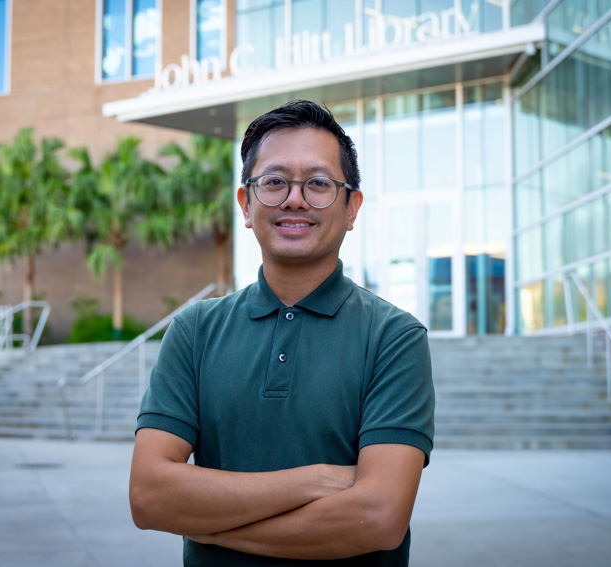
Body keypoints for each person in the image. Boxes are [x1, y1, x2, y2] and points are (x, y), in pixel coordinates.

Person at [130, 100, 435, 566]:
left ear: (351, 207)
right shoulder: (194, 331)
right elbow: (150, 497)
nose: (294, 198)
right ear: (246, 204)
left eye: (318, 183)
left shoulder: (394, 337)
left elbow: (377, 518)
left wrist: (209, 523)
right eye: (274, 182)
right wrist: (313, 481)